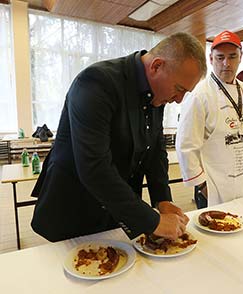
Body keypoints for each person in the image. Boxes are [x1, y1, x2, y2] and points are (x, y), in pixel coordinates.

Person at [30, 33, 207, 242]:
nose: (179, 100)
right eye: (179, 89)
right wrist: (153, 221)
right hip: (74, 208)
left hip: (117, 209)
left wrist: (162, 201)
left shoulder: (158, 94)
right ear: (156, 66)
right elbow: (94, 168)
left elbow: (156, 153)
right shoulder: (96, 82)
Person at [176, 31, 243, 209]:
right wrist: (201, 185)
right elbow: (186, 145)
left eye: (232, 57)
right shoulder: (199, 95)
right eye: (220, 57)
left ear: (241, 57)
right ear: (210, 59)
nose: (226, 63)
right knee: (216, 230)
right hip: (213, 183)